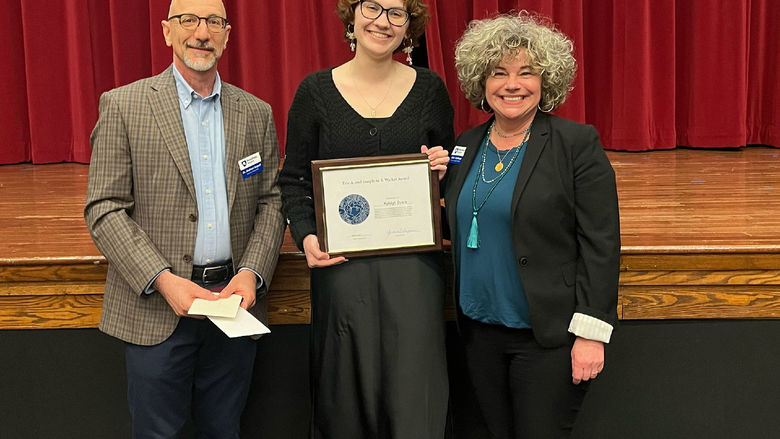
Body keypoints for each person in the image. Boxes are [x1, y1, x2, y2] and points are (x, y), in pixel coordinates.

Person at [84, 0, 285, 437]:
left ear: (228, 35)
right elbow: (104, 208)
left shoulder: (256, 113)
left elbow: (271, 200)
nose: (201, 32)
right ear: (166, 31)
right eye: (188, 20)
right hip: (157, 308)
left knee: (224, 430)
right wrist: (163, 279)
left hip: (233, 306)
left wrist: (251, 273)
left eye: (214, 22)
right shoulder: (124, 106)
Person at [278, 0, 453, 437]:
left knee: (416, 397)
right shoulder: (315, 91)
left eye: (397, 13)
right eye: (372, 7)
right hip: (341, 270)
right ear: (352, 16)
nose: (383, 21)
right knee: (344, 399)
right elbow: (294, 181)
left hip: (414, 271)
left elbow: (451, 181)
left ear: (409, 26)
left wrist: (443, 167)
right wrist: (305, 238)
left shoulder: (430, 90)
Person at [444, 11, 620, 438]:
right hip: (479, 333)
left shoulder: (576, 144)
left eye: (527, 73)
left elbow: (601, 242)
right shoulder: (465, 146)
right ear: (481, 84)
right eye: (498, 73)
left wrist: (592, 333)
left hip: (547, 338)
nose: (512, 84)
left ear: (546, 82)